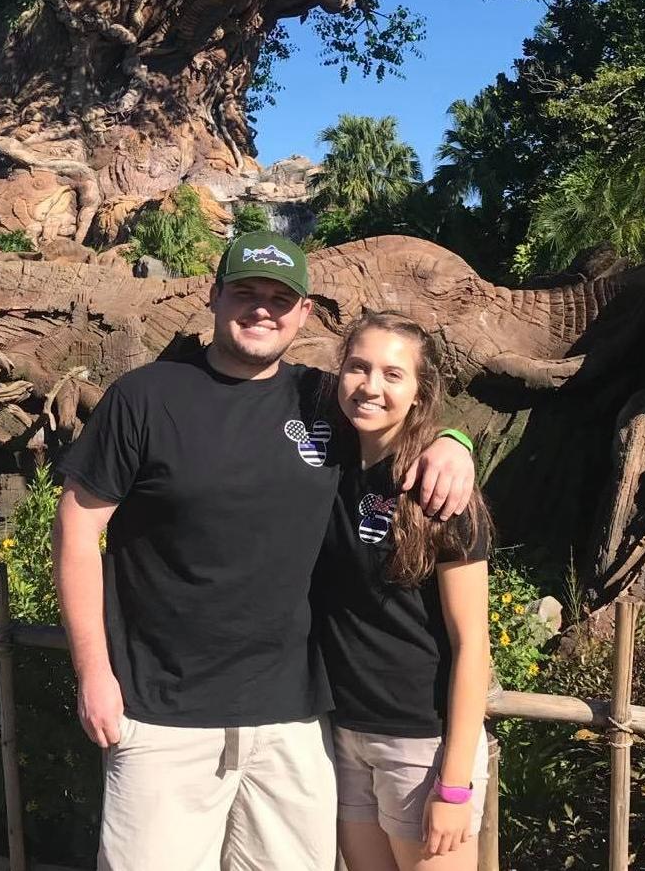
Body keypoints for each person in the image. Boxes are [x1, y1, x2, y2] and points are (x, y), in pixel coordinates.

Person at [52, 232, 477, 871]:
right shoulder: (145, 397)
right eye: (245, 292)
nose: (261, 309)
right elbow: (78, 534)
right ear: (214, 296)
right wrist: (93, 673)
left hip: (293, 723)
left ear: (303, 315)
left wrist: (454, 441)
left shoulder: (320, 399)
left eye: (280, 298)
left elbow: (396, 406)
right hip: (162, 713)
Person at [315, 311, 493, 871]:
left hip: (422, 746)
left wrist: (455, 785)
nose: (371, 386)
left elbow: (473, 645)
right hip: (341, 734)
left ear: (420, 392)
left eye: (394, 375)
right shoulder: (324, 467)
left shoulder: (439, 491)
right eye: (358, 368)